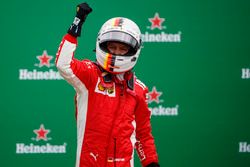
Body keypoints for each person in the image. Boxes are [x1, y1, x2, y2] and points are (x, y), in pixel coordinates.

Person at [56, 2, 160, 167]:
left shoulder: (139, 89)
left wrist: (151, 163)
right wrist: (76, 25)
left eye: (122, 48)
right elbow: (64, 65)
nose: (116, 52)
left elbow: (143, 134)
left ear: (134, 50)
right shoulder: (90, 76)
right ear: (102, 45)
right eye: (112, 47)